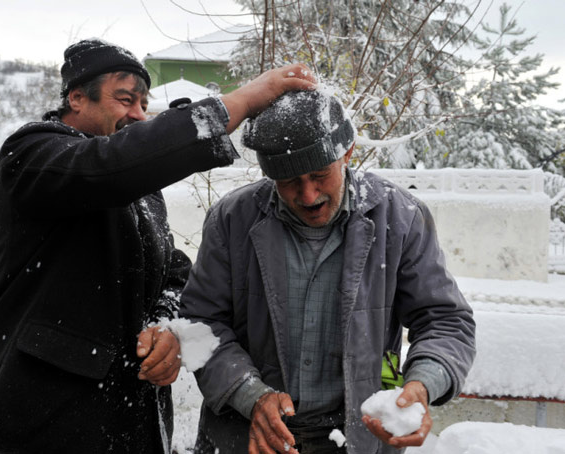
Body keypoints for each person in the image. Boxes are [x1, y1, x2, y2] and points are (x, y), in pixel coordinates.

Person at [0, 38, 316, 454]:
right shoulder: (30, 155)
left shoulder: (142, 193)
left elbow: (172, 273)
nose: (137, 114)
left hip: (130, 424)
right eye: (125, 99)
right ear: (76, 97)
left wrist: (166, 326)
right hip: (41, 423)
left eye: (143, 103)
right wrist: (238, 103)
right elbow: (107, 166)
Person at [179, 90, 476, 454]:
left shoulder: (401, 218)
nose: (307, 195)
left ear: (347, 153)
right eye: (288, 181)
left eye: (320, 174)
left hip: (358, 437)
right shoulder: (232, 219)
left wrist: (423, 383)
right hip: (247, 436)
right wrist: (250, 395)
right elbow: (201, 322)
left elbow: (445, 320)